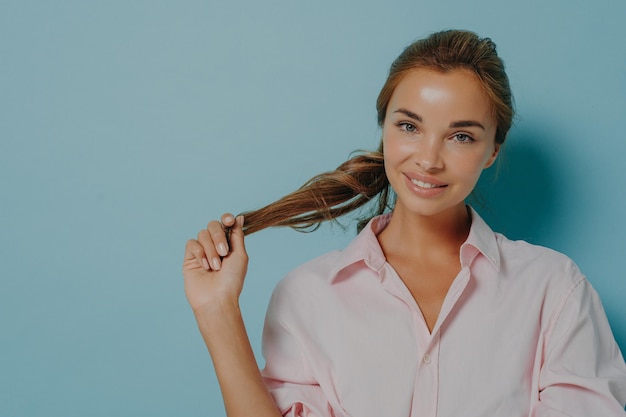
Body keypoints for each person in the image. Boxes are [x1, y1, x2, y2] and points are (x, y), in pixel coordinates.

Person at [183, 30, 626, 417]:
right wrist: (217, 312)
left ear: (492, 151)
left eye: (461, 136)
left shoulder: (554, 290)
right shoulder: (306, 296)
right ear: (384, 128)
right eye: (409, 126)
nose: (429, 160)